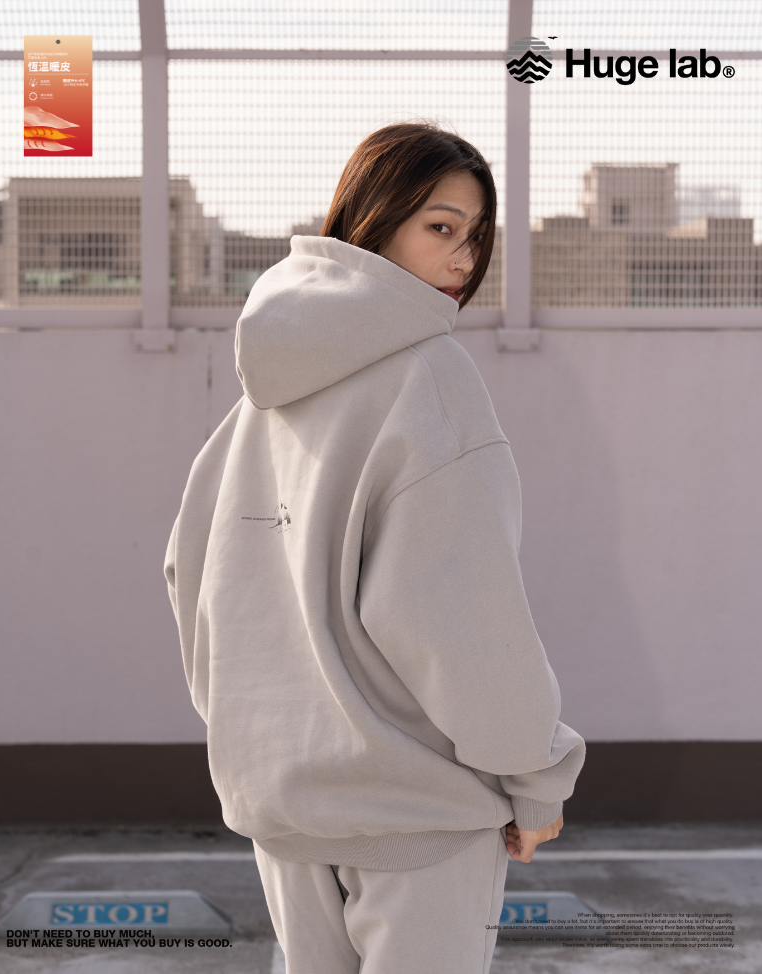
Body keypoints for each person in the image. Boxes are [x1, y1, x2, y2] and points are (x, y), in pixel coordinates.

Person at [165, 122, 585, 974]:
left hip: (284, 803)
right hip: (416, 809)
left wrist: (257, 731)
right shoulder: (429, 376)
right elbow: (461, 617)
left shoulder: (265, 389)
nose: (464, 257)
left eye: (476, 235)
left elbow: (192, 571)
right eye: (441, 226)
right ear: (376, 216)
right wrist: (536, 776)